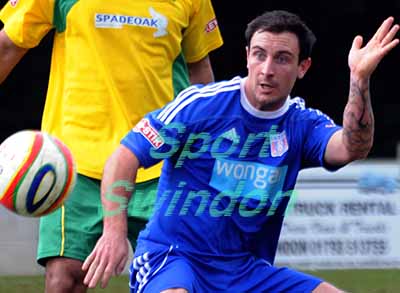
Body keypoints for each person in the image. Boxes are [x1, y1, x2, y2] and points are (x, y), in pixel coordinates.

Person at [83, 10, 398, 292]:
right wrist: (114, 231)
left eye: (282, 58)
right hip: (174, 259)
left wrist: (359, 80)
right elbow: (125, 155)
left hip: (245, 271)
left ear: (303, 67)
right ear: (247, 56)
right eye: (259, 55)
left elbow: (352, 147)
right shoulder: (201, 106)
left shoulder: (301, 123)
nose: (267, 69)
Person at [0, 0, 223, 292]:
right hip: (76, 164)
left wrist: (207, 146)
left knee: (178, 280)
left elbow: (199, 69)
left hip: (162, 161)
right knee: (64, 278)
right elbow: (7, 46)